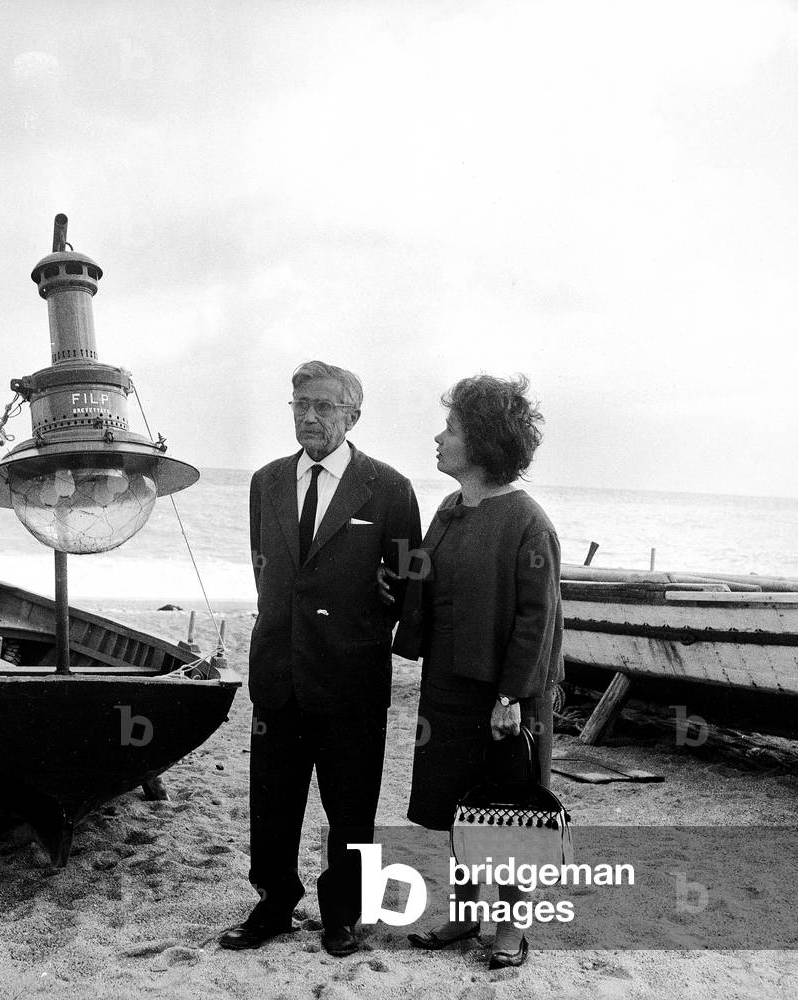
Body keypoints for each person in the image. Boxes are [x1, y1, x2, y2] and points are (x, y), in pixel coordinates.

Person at [220, 360, 422, 958]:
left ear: (352, 415)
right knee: (273, 798)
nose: (309, 415)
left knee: (352, 807)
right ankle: (274, 903)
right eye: (300, 403)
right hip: (278, 671)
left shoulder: (389, 488)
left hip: (352, 678)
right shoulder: (267, 481)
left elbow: (409, 581)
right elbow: (267, 568)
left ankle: (343, 913)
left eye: (325, 406)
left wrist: (364, 621)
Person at [380, 373, 563, 970]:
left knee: (507, 812)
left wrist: (511, 697)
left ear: (481, 441)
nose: (439, 437)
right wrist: (394, 593)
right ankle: (463, 917)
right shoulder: (451, 507)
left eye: (451, 428)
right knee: (461, 806)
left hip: (503, 696)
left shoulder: (528, 523)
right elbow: (431, 583)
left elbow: (538, 620)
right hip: (449, 684)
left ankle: (509, 934)